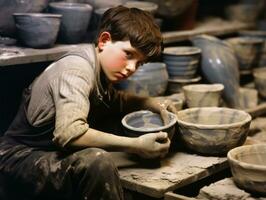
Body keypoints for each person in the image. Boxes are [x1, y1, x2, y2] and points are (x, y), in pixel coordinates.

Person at [0, 5, 177, 200]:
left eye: (139, 63)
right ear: (104, 41)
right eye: (128, 54)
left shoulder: (98, 66)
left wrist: (150, 102)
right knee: (97, 162)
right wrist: (136, 145)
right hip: (16, 162)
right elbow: (70, 134)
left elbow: (114, 100)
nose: (131, 68)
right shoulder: (76, 70)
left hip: (48, 153)